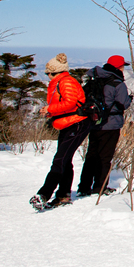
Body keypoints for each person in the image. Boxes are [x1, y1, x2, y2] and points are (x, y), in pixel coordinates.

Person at [30, 53, 90, 210]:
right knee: (65, 160)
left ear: (54, 72)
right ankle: (63, 195)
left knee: (59, 160)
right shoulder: (60, 82)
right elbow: (66, 105)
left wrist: (50, 108)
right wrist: (51, 112)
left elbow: (70, 103)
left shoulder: (66, 82)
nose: (47, 77)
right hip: (68, 124)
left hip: (76, 124)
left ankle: (43, 195)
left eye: (48, 73)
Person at [77, 55, 133, 198]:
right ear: (118, 67)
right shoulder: (117, 83)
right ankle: (100, 187)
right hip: (111, 124)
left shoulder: (95, 79)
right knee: (105, 157)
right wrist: (130, 98)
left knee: (91, 155)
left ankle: (84, 186)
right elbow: (123, 103)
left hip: (94, 122)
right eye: (122, 66)